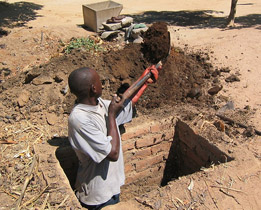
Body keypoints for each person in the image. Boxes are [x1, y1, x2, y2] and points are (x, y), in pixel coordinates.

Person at [68, 66, 159, 210]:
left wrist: (144, 81)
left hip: (111, 188)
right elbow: (112, 154)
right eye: (99, 82)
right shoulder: (79, 120)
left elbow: (126, 105)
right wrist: (111, 115)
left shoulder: (100, 105)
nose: (102, 84)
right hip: (98, 197)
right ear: (93, 88)